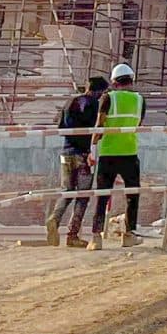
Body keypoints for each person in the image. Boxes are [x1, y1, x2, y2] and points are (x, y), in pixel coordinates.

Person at [92, 61, 145, 245]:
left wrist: (93, 146)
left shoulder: (108, 98)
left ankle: (96, 237)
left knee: (102, 195)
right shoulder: (139, 100)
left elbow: (100, 124)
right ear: (131, 80)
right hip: (130, 152)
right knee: (132, 195)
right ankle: (129, 234)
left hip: (107, 153)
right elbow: (139, 124)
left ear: (114, 82)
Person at [54, 74, 106, 247]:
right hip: (83, 155)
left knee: (67, 190)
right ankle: (72, 234)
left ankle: (54, 219)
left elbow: (60, 127)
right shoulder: (93, 104)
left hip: (66, 153)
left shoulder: (70, 103)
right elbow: (96, 130)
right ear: (98, 91)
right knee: (82, 196)